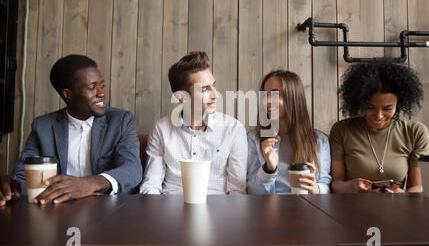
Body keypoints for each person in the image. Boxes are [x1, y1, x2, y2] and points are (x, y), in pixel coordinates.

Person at [0, 54, 142, 205]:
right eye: (92, 87)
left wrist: (90, 184)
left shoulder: (120, 121)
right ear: (68, 94)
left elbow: (132, 169)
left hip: (110, 211)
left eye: (102, 85)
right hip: (59, 212)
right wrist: (9, 186)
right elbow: (23, 176)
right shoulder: (43, 127)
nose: (102, 93)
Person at [139, 51, 247, 194]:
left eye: (213, 85)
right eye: (204, 89)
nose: (215, 95)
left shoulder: (234, 129)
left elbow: (237, 191)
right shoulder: (161, 129)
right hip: (170, 209)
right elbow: (151, 184)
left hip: (219, 211)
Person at [330, 62, 429, 193]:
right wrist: (352, 187)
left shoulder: (415, 132)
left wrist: (402, 195)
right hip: (352, 206)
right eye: (370, 107)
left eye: (387, 108)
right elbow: (336, 184)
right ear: (359, 102)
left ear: (398, 104)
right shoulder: (341, 130)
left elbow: (417, 187)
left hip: (398, 208)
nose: (378, 116)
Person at [247, 70, 331, 194]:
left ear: (294, 97)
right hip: (268, 210)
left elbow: (325, 185)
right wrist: (268, 169)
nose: (268, 100)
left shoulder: (319, 140)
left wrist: (316, 188)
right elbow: (252, 191)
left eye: (275, 94)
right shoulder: (254, 139)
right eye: (265, 95)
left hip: (305, 207)